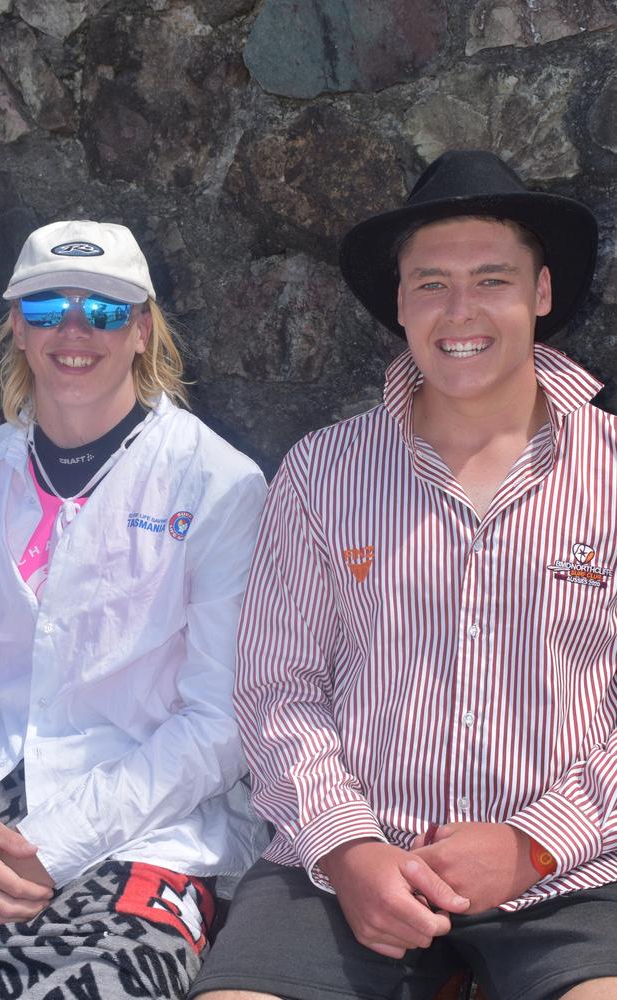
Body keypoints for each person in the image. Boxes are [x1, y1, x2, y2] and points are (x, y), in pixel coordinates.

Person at [189, 151, 617, 1000]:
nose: (460, 311)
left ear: (540, 292)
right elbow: (278, 689)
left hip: (576, 871)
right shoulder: (322, 472)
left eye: (491, 279)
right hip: (348, 864)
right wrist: (349, 849)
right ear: (399, 303)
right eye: (431, 284)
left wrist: (532, 843)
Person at [0, 220, 269, 998]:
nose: (73, 331)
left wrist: (47, 842)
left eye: (102, 311)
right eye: (45, 310)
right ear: (16, 328)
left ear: (140, 330)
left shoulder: (218, 485)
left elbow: (221, 726)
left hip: (152, 830)